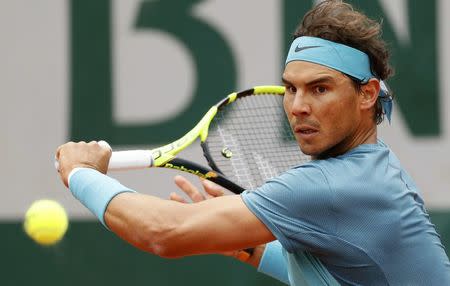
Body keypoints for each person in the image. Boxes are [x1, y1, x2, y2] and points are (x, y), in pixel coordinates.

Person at [56, 1, 450, 285]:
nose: (297, 106)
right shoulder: (374, 169)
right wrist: (256, 250)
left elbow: (163, 234)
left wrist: (82, 174)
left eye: (320, 89)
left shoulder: (332, 186)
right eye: (290, 88)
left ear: (366, 95)